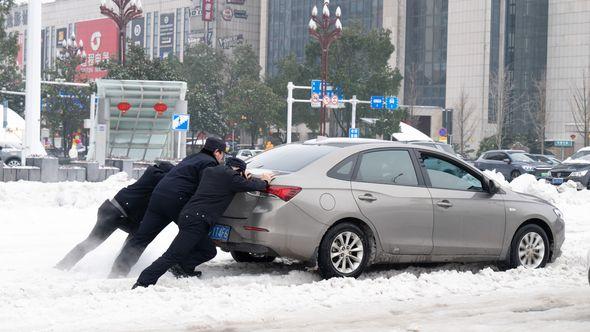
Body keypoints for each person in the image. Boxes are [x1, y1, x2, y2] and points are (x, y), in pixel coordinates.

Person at [132, 157, 275, 288]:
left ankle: (183, 268)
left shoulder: (210, 172)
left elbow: (230, 183)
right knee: (172, 255)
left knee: (208, 250)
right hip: (197, 220)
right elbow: (256, 186)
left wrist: (242, 177)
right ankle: (143, 282)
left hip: (189, 216)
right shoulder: (231, 177)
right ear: (238, 170)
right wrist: (265, 180)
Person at [109, 137, 226, 278]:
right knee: (198, 237)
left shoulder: (191, 157)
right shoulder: (210, 163)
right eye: (223, 154)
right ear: (217, 152)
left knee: (141, 238)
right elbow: (206, 188)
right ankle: (182, 267)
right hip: (178, 201)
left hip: (158, 198)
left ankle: (118, 272)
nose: (222, 158)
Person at [55, 161, 175, 270]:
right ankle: (63, 266)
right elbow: (170, 181)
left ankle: (120, 268)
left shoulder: (153, 176)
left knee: (134, 240)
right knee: (91, 242)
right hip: (115, 212)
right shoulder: (155, 176)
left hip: (120, 213)